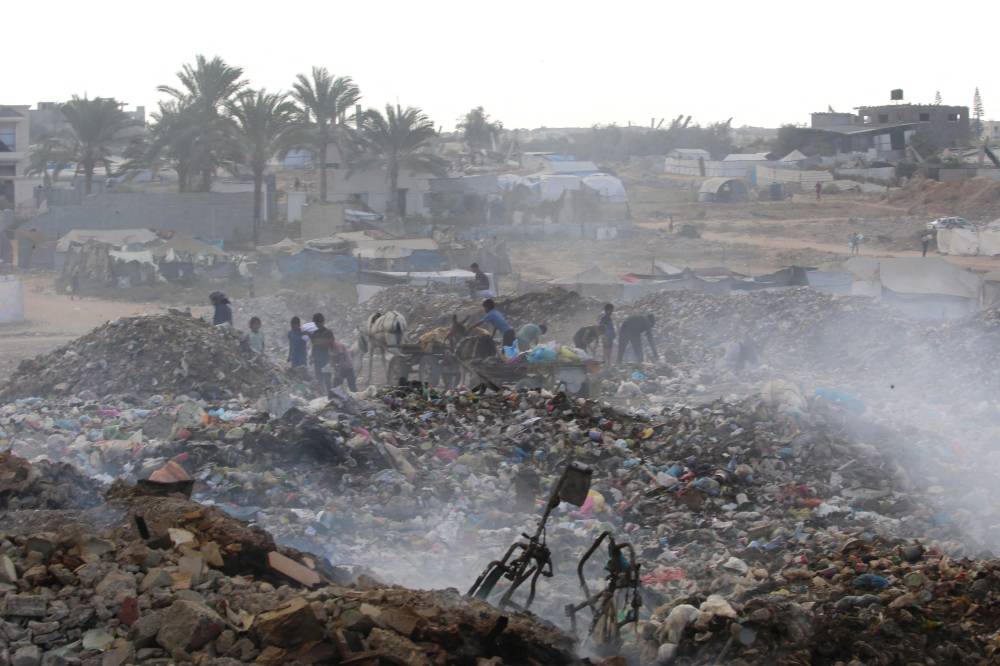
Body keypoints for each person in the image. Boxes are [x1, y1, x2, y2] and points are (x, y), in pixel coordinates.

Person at [309, 313, 335, 392]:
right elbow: (313, 346)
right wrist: (311, 356)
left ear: (323, 322)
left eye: (318, 323)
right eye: (316, 323)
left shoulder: (328, 332)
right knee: (319, 380)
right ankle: (322, 398)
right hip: (317, 361)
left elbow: (332, 345)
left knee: (328, 380)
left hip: (327, 360)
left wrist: (333, 360)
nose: (317, 325)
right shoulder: (314, 333)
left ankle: (330, 397)